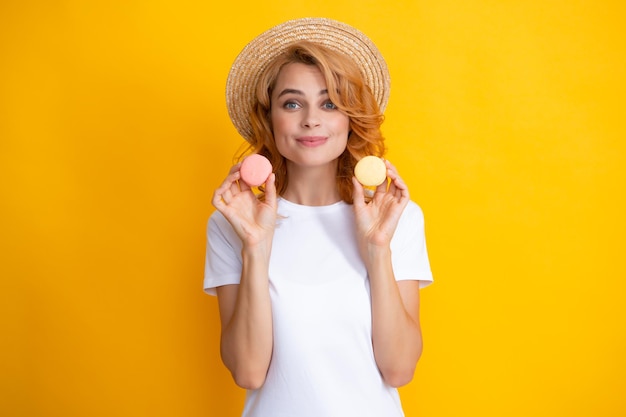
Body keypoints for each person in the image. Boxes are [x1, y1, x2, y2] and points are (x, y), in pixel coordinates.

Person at [204, 17, 433, 417]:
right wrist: (255, 248)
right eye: (292, 103)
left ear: (351, 117)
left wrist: (378, 248)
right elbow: (248, 371)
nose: (311, 119)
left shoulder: (398, 218)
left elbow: (399, 369)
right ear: (269, 118)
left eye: (329, 103)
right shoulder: (231, 224)